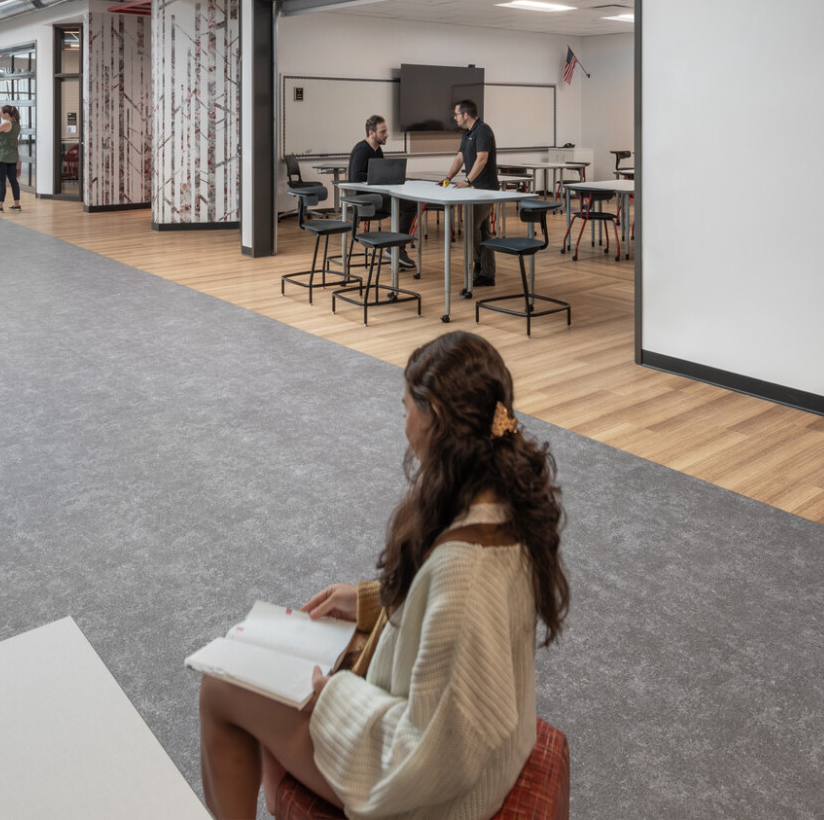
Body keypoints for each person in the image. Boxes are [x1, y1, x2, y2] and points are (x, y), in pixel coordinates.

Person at [197, 331, 566, 820]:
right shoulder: (497, 494)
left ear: (433, 413)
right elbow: (446, 627)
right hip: (465, 750)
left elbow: (433, 753)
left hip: (434, 794)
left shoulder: (466, 575)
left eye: (407, 409)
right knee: (297, 645)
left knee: (219, 690)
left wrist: (337, 697)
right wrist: (374, 601)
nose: (404, 424)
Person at [441, 100, 498, 288]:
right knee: (483, 230)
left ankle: (480, 265)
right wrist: (448, 178)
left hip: (485, 190)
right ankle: (486, 273)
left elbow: (482, 160)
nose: (455, 118)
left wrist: (467, 181)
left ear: (466, 115)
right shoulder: (467, 133)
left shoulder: (483, 130)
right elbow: (460, 158)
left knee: (472, 225)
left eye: (457, 114)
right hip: (475, 190)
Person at [348, 114, 414, 268]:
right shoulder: (362, 149)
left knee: (410, 204)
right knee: (409, 206)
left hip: (377, 197)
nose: (387, 135)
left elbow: (380, 174)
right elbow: (355, 177)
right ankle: (396, 248)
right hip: (367, 201)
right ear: (371, 133)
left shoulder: (377, 150)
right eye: (383, 132)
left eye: (386, 131)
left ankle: (395, 246)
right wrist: (381, 175)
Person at [0, 104, 24, 212]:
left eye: (1, 113)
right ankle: (17, 204)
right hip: (12, 156)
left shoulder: (6, 123)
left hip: (1, 156)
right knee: (13, 181)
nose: (0, 114)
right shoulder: (17, 124)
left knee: (1, 182)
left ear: (6, 114)